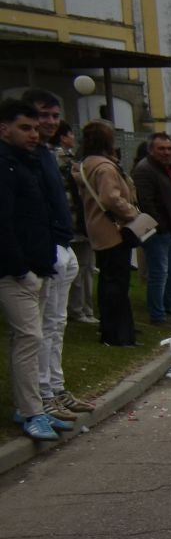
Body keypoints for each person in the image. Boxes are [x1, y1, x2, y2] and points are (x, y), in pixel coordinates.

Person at [1, 98, 70, 443]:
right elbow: (5, 223)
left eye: (34, 127)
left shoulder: (29, 162)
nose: (33, 133)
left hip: (38, 265)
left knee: (33, 336)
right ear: (5, 129)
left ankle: (29, 405)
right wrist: (20, 269)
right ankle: (31, 411)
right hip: (16, 272)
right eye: (24, 128)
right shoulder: (5, 166)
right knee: (30, 338)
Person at [72, 120, 142, 349]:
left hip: (99, 228)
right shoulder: (105, 168)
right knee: (117, 284)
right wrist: (132, 213)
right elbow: (110, 198)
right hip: (114, 230)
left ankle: (113, 329)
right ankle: (118, 334)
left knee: (108, 281)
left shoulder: (86, 165)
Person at [132, 132, 171, 324]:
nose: (167, 152)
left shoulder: (170, 168)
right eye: (161, 149)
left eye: (169, 148)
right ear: (151, 150)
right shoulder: (145, 170)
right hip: (158, 230)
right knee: (159, 273)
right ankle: (157, 314)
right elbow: (147, 202)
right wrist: (162, 226)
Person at [54, 123, 97, 326]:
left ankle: (85, 308)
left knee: (86, 268)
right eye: (70, 133)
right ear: (63, 137)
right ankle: (77, 309)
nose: (73, 137)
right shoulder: (59, 159)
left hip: (82, 220)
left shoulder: (75, 160)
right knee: (76, 269)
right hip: (72, 221)